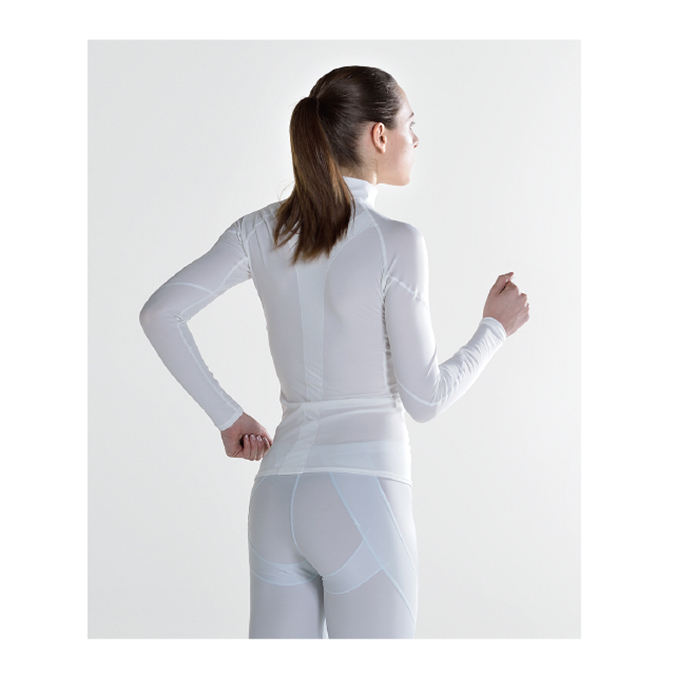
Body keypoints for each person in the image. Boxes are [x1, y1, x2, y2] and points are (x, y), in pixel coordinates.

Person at [139, 65, 530, 639]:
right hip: (363, 496)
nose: (416, 139)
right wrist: (493, 329)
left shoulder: (259, 231)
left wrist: (228, 416)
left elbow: (160, 314)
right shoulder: (394, 242)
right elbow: (425, 400)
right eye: (411, 124)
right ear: (379, 136)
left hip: (277, 498)